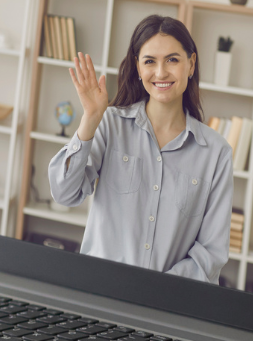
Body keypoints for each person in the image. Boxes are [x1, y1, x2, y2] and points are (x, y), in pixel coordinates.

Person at [48, 15, 234, 282]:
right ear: (137, 67)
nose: (160, 73)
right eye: (150, 61)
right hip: (98, 294)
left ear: (191, 64)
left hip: (167, 306)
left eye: (172, 59)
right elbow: (64, 193)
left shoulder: (217, 153)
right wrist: (90, 118)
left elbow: (211, 253)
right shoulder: (109, 124)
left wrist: (156, 290)